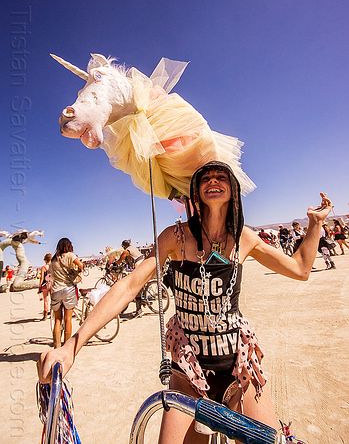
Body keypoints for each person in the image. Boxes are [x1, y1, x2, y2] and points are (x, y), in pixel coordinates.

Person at [37, 162, 332, 443]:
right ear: (195, 193)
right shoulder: (173, 238)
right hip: (187, 371)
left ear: (234, 191)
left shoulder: (245, 238)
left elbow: (301, 268)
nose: (213, 181)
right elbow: (128, 286)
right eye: (206, 178)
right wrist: (71, 345)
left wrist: (315, 224)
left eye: (221, 177)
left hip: (239, 366)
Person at [49, 238, 84, 348]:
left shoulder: (54, 260)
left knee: (57, 320)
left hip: (56, 290)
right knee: (68, 319)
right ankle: (67, 347)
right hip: (68, 289)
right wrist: (78, 270)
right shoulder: (70, 255)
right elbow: (81, 265)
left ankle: (57, 346)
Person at [114, 239, 145, 316]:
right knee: (140, 284)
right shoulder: (134, 248)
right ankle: (143, 299)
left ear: (124, 246)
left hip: (138, 264)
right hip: (144, 262)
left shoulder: (126, 251)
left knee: (135, 287)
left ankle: (139, 310)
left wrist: (115, 263)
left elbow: (120, 260)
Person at [38, 253, 52, 321]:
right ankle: (53, 314)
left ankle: (45, 316)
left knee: (46, 300)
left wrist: (40, 286)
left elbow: (42, 278)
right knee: (53, 299)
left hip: (45, 285)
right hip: (52, 284)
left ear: (45, 260)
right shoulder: (52, 267)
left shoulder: (44, 268)